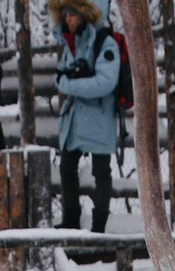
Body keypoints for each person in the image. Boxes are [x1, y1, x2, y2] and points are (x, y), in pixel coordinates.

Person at [51, 0, 121, 234]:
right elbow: (60, 75)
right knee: (67, 167)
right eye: (65, 15)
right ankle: (71, 220)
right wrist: (69, 81)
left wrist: (70, 85)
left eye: (71, 14)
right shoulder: (73, 44)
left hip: (99, 115)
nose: (67, 19)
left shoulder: (104, 43)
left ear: (84, 14)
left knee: (101, 171)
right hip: (76, 117)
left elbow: (105, 83)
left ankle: (99, 226)